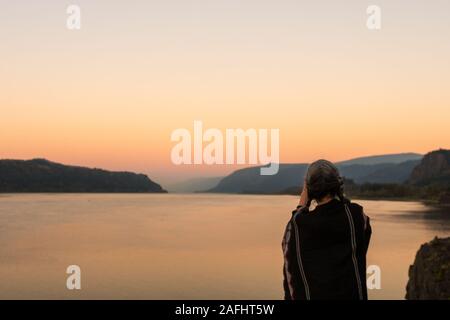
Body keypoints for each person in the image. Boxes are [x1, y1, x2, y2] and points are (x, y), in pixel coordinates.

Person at [282, 159, 372, 300]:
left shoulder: (300, 226)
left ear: (309, 189)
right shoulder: (355, 216)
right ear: (338, 185)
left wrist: (301, 205)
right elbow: (361, 243)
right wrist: (340, 196)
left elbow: (289, 259)